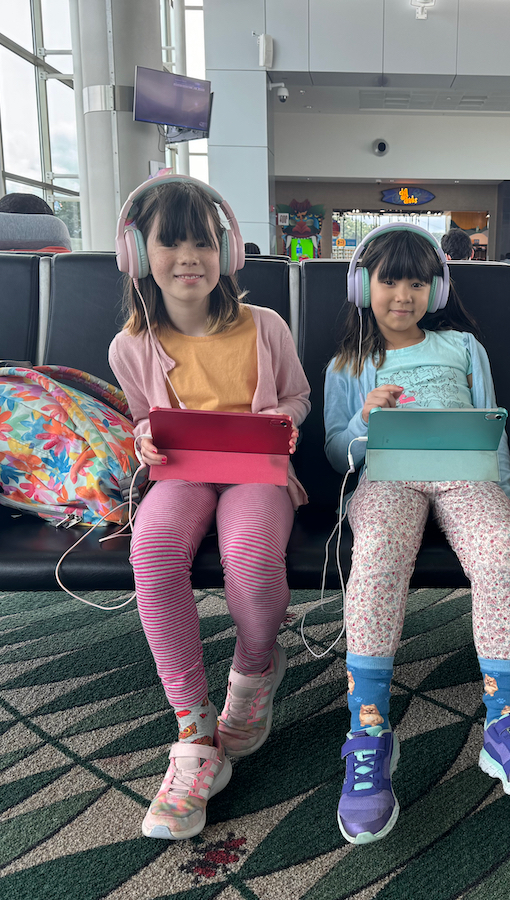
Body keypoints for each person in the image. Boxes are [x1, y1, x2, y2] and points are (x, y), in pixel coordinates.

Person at [323, 224, 510, 847]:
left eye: (416, 283)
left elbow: (491, 425)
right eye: (389, 281)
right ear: (363, 287)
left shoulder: (462, 346)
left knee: (500, 552)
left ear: (436, 290)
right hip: (387, 478)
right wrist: (364, 420)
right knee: (376, 555)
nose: (403, 295)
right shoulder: (348, 365)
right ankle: (369, 729)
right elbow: (334, 452)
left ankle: (505, 721)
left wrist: (508, 490)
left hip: (466, 475)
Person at [108, 173, 311, 841]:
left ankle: (255, 667)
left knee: (249, 552)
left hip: (257, 471)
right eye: (170, 244)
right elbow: (144, 419)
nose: (188, 258)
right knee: (152, 550)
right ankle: (194, 732)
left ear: (227, 251)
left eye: (203, 243)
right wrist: (144, 436)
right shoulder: (131, 345)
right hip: (184, 473)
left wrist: (282, 421)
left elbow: (298, 397)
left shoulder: (265, 327)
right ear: (138, 255)